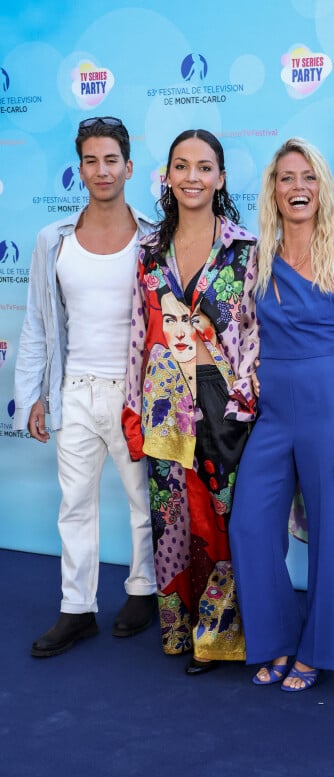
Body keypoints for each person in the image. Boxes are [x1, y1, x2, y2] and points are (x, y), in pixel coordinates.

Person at [229, 138, 334, 692]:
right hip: (273, 409)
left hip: (329, 405)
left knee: (332, 534)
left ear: (322, 189)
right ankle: (278, 639)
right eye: (287, 178)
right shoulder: (257, 257)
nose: (298, 188)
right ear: (273, 190)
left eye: (308, 177)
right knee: (249, 525)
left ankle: (318, 651)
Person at [14, 117, 157, 657]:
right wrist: (32, 395)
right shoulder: (53, 241)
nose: (102, 170)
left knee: (143, 501)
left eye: (111, 160)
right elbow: (37, 324)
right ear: (80, 169)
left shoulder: (151, 237)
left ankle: (142, 593)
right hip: (73, 389)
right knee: (74, 504)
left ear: (128, 166)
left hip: (135, 395)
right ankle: (77, 608)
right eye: (91, 161)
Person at [122, 129, 258, 675]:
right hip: (164, 407)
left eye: (204, 167)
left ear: (220, 178)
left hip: (223, 403)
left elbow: (253, 334)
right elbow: (138, 333)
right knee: (172, 522)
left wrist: (243, 403)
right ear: (167, 177)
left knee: (221, 525)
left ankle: (220, 637)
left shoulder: (244, 249)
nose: (192, 176)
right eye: (182, 166)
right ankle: (179, 632)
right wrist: (134, 406)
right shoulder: (149, 251)